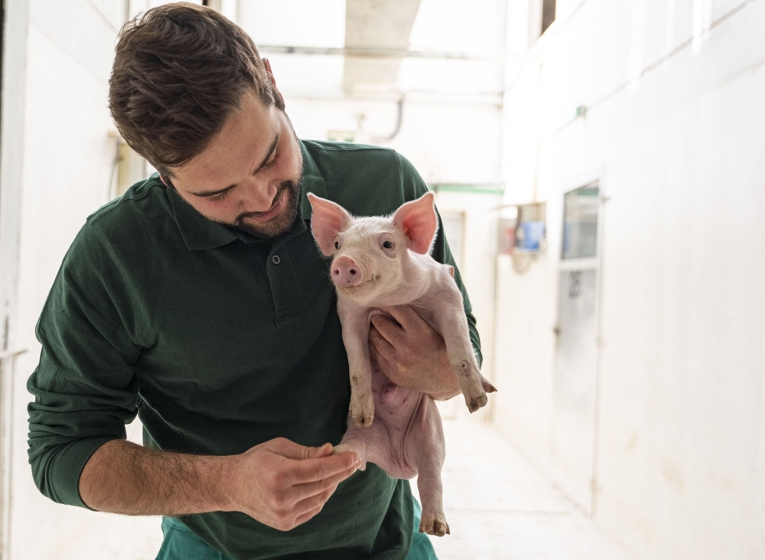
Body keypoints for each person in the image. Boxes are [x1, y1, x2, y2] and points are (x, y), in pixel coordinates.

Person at [26, 3, 482, 559]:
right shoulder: (116, 255)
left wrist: (442, 372)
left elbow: (465, 347)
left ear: (271, 81)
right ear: (158, 172)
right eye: (217, 193)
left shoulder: (384, 182)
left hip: (387, 541)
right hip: (214, 548)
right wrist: (228, 484)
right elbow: (61, 451)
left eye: (271, 156)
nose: (262, 197)